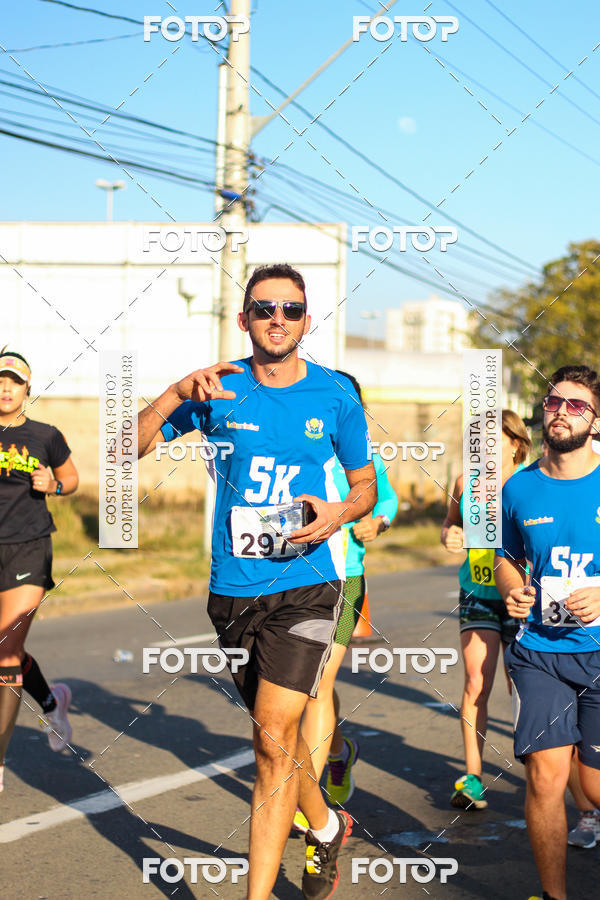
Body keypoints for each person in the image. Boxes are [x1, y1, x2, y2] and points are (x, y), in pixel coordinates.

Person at [136, 264, 377, 900]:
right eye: (264, 307)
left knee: (270, 742)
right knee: (284, 738)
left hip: (309, 584)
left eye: (291, 309)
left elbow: (364, 488)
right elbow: (118, 450)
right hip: (234, 589)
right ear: (243, 319)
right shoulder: (216, 388)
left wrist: (336, 514)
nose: (278, 318)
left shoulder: (333, 395)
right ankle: (325, 825)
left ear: (306, 320)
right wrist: (170, 394)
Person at [495, 365, 600, 900]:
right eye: (554, 402)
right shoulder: (519, 489)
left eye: (576, 405)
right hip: (538, 652)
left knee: (594, 785)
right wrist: (512, 587)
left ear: (596, 420)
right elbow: (507, 559)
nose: (561, 412)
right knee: (545, 776)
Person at [295, 372, 398, 829]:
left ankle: (308, 795)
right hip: (291, 577)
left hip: (344, 576)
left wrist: (376, 525)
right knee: (307, 685)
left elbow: (387, 503)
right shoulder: (300, 445)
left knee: (316, 683)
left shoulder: (363, 457)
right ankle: (338, 749)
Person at [441, 409, 531, 810]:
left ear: (517, 445)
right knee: (477, 681)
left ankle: (539, 771)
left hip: (522, 598)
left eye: (496, 440)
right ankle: (473, 777)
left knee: (523, 688)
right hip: (476, 590)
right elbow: (449, 524)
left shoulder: (532, 486)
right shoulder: (465, 484)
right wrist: (451, 535)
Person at [0, 349, 78, 791]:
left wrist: (55, 484)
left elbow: (73, 479)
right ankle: (52, 701)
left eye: (15, 381)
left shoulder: (45, 435)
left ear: (28, 389)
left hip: (29, 549)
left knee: (6, 652)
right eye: (0, 380)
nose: (6, 388)